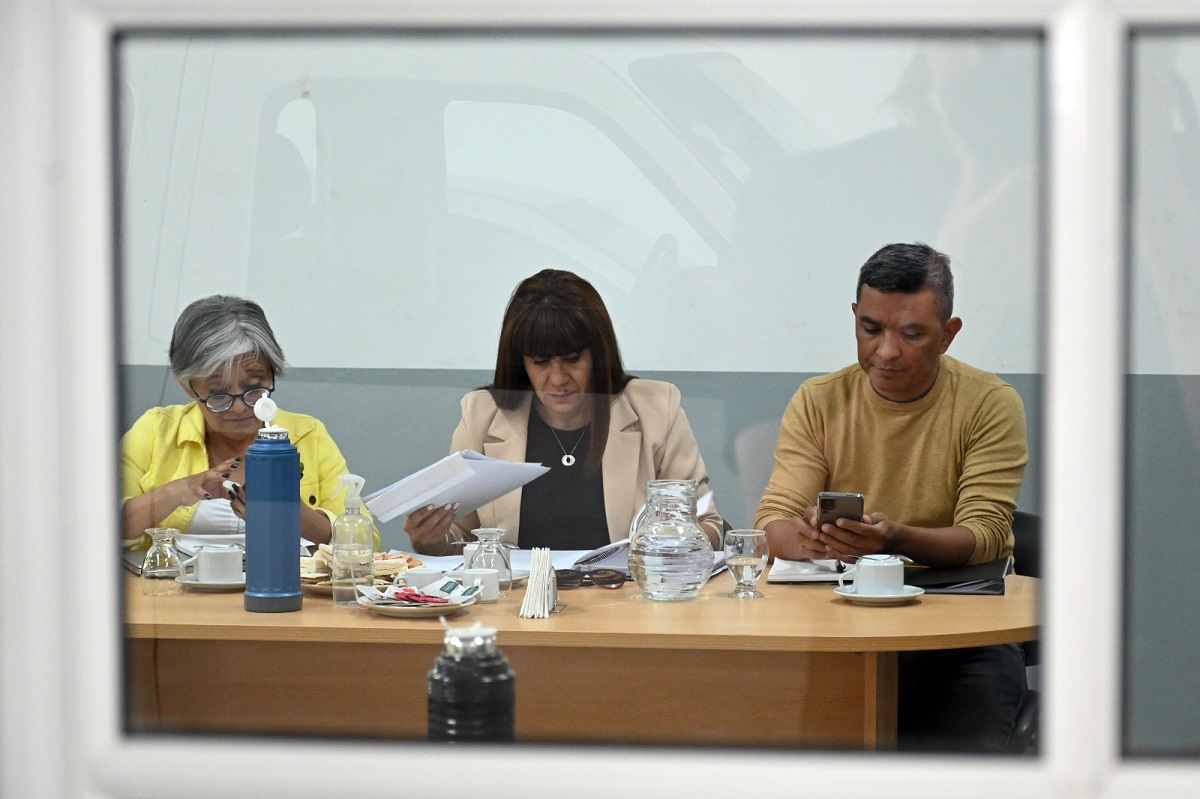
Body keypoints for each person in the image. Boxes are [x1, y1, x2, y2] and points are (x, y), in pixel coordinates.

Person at [754, 242, 1029, 753]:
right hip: (842, 628)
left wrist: (893, 539)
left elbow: (986, 536)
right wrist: (812, 538)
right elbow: (773, 523)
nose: (886, 351)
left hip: (962, 638)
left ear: (948, 335)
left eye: (912, 334)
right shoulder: (819, 400)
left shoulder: (990, 403)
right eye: (871, 329)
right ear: (855, 317)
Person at [405, 269, 723, 555]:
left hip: (625, 604)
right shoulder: (483, 414)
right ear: (520, 362)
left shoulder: (656, 408)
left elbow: (708, 524)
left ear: (598, 354)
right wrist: (431, 540)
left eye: (572, 359)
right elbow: (462, 533)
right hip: (518, 607)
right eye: (540, 362)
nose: (557, 379)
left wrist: (676, 540)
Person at [121, 295, 367, 548]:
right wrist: (177, 492)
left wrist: (289, 512)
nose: (239, 407)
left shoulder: (307, 434)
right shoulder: (157, 430)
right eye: (218, 394)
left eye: (255, 388)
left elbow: (363, 541)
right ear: (188, 387)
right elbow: (100, 526)